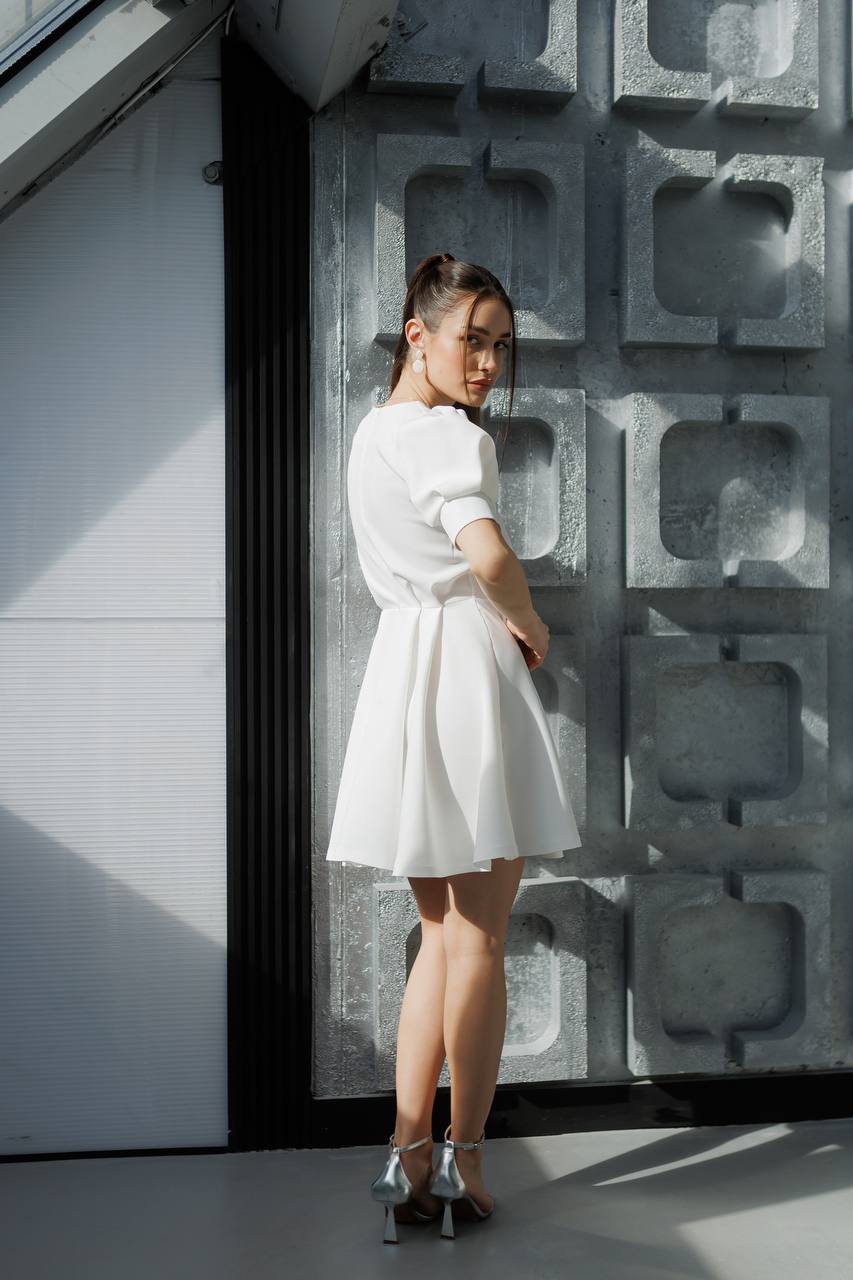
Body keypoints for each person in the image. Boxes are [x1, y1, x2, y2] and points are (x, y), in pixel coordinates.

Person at [325, 252, 582, 1242]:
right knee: (476, 937)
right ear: (417, 331)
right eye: (471, 338)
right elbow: (488, 554)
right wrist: (527, 620)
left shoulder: (374, 434)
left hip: (404, 669)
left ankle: (403, 1151)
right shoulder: (443, 436)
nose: (486, 362)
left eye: (499, 345)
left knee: (438, 936)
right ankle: (463, 1161)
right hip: (463, 667)